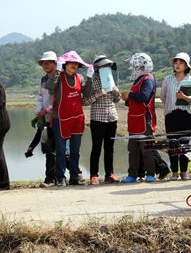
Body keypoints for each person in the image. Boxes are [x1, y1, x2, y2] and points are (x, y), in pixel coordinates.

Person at [50, 51, 93, 186]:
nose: (74, 65)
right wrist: (56, 70)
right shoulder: (59, 77)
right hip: (60, 118)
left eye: (76, 63)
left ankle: (74, 177)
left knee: (75, 151)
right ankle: (60, 178)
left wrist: (90, 78)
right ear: (65, 64)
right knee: (61, 151)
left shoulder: (79, 78)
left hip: (77, 118)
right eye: (71, 63)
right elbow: (50, 87)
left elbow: (86, 93)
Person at [82, 55, 121, 184]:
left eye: (108, 66)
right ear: (97, 68)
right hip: (98, 118)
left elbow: (117, 100)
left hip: (112, 117)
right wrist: (99, 94)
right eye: (104, 66)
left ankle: (110, 174)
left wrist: (116, 93)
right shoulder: (92, 81)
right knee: (96, 147)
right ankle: (94, 175)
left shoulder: (111, 79)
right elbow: (85, 101)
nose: (106, 68)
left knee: (110, 147)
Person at [121, 53, 157, 183]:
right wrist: (127, 98)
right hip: (134, 119)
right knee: (133, 149)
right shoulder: (137, 80)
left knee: (146, 148)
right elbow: (135, 100)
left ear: (140, 65)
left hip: (144, 119)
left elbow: (144, 97)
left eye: (133, 65)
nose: (132, 68)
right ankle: (132, 174)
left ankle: (151, 174)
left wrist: (130, 95)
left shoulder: (148, 79)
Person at [160, 52, 191, 180]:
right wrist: (170, 105)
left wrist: (184, 98)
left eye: (181, 62)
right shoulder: (167, 79)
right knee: (172, 143)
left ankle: (184, 171)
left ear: (186, 66)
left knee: (184, 143)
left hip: (185, 115)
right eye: (176, 62)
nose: (178, 65)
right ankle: (174, 172)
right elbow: (163, 96)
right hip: (171, 115)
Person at [33, 51, 59, 184]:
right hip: (46, 118)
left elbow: (60, 99)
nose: (45, 65)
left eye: (48, 62)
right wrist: (39, 112)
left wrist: (46, 110)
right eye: (43, 63)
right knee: (48, 148)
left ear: (55, 63)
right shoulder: (43, 79)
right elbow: (40, 97)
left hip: (58, 117)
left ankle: (61, 176)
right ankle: (50, 176)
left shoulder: (60, 78)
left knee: (60, 148)